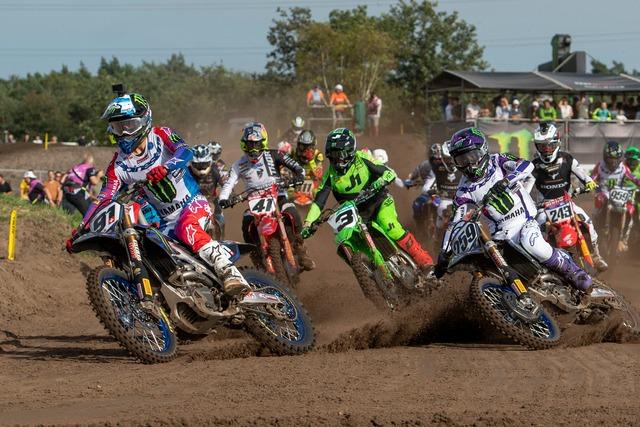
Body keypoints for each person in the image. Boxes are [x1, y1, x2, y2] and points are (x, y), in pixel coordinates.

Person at [67, 91, 250, 303]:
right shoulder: (117, 166)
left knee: (187, 228)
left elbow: (185, 152)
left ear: (144, 120)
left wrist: (166, 167)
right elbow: (103, 197)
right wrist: (81, 228)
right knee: (155, 255)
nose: (124, 133)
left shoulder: (161, 135)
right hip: (165, 221)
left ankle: (230, 273)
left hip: (192, 204)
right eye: (118, 127)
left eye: (129, 125)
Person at [434, 127, 593, 300]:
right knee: (490, 265)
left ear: (482, 150)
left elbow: (527, 165)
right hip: (501, 236)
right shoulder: (463, 190)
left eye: (471, 157)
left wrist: (507, 180)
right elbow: (455, 222)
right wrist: (444, 253)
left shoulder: (498, 161)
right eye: (462, 160)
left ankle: (573, 271)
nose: (469, 164)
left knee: (532, 244)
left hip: (526, 220)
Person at [301, 128, 434, 269]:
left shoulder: (362, 158)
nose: (337, 159)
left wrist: (382, 180)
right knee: (349, 240)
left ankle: (424, 261)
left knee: (390, 226)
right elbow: (318, 202)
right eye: (333, 155)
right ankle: (372, 271)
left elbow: (387, 172)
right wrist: (308, 223)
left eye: (340, 154)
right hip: (356, 214)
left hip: (379, 202)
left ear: (350, 151)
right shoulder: (330, 175)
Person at [218, 122, 315, 271]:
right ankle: (257, 257)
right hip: (254, 200)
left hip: (277, 195)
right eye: (250, 145)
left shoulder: (275, 154)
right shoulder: (238, 165)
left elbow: (297, 167)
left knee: (292, 212)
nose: (253, 149)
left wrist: (298, 176)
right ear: (244, 145)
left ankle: (301, 249)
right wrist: (223, 199)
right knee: (246, 223)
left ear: (263, 143)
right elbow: (229, 183)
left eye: (256, 144)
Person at [530, 122, 607, 271]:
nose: (546, 150)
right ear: (537, 146)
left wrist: (589, 183)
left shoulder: (568, 159)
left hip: (566, 202)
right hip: (544, 207)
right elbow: (526, 189)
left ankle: (596, 256)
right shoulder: (534, 166)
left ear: (557, 142)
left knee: (588, 223)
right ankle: (541, 265)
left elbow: (584, 176)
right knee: (537, 233)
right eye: (542, 146)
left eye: (549, 145)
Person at [591, 141, 640, 251]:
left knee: (629, 210)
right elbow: (592, 178)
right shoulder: (600, 166)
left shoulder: (623, 167)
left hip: (619, 193)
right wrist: (590, 184)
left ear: (619, 158)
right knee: (596, 212)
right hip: (603, 193)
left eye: (615, 159)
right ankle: (594, 234)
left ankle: (623, 237)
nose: (613, 162)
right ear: (605, 157)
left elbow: (633, 178)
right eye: (610, 159)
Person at [404, 143, 461, 231]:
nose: (437, 161)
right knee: (417, 204)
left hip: (444, 196)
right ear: (431, 158)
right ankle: (419, 228)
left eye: (440, 159)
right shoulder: (425, 165)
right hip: (429, 193)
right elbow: (413, 176)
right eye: (435, 159)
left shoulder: (450, 167)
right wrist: (410, 181)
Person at [189, 143, 225, 235]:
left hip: (212, 200)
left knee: (220, 219)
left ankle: (221, 239)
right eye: (198, 165)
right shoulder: (186, 172)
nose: (201, 168)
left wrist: (230, 195)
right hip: (191, 203)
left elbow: (225, 185)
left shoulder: (215, 170)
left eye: (204, 164)